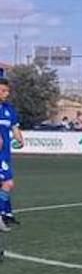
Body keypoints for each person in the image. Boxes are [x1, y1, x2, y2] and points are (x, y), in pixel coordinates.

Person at [0, 78, 25, 230]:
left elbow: (14, 127)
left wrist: (20, 139)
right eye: (3, 90)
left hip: (5, 154)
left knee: (4, 183)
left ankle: (6, 214)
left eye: (7, 91)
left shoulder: (9, 109)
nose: (6, 94)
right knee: (8, 183)